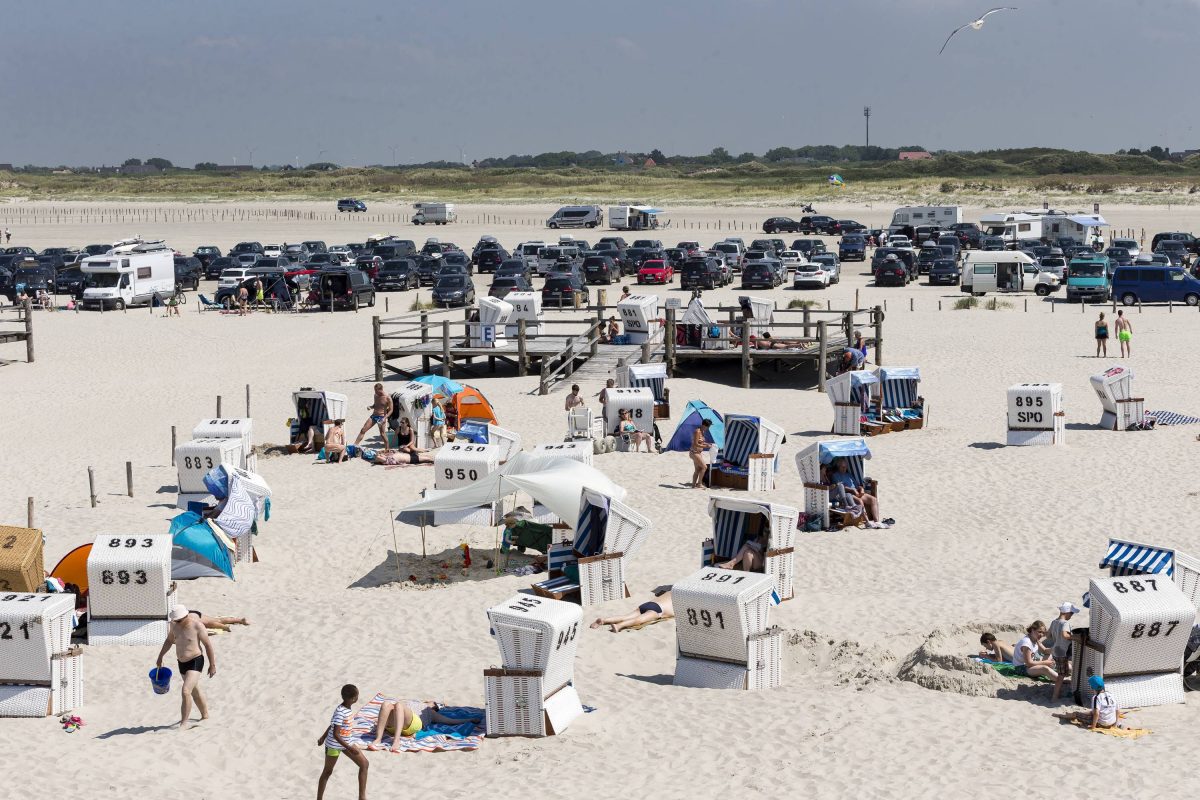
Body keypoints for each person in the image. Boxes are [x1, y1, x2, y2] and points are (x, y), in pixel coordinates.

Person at [154, 605, 216, 730]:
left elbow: (208, 645)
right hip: (182, 663)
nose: (176, 622)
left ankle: (184, 723)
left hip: (196, 661)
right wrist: (160, 657)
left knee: (185, 691)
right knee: (194, 690)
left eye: (178, 620)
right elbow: (169, 640)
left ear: (185, 616)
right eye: (175, 620)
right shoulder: (174, 625)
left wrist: (212, 665)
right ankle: (205, 715)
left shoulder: (197, 626)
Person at [366, 700, 482, 752]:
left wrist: (470, 719)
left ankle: (396, 740)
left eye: (434, 704)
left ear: (434, 707)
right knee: (386, 703)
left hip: (413, 724)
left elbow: (450, 721)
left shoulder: (430, 712)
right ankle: (378, 738)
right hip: (395, 723)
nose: (432, 702)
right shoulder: (414, 702)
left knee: (399, 705)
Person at [317, 684, 368, 800]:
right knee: (327, 771)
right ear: (353, 699)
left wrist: (322, 737)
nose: (358, 697)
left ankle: (362, 797)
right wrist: (350, 748)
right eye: (357, 695)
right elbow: (335, 734)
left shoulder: (347, 708)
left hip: (346, 742)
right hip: (334, 745)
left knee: (364, 764)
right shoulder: (340, 712)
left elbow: (333, 725)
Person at [831, 457, 887, 528]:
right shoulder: (835, 475)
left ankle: (876, 521)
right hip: (848, 494)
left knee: (873, 499)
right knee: (860, 501)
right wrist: (852, 490)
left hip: (856, 492)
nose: (844, 469)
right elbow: (840, 487)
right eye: (843, 467)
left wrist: (861, 489)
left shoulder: (849, 475)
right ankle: (866, 521)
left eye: (845, 467)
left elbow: (858, 485)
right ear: (838, 467)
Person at [590, 588, 675, 632]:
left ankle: (604, 620)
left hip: (647, 604)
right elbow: (671, 613)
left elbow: (659, 594)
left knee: (625, 616)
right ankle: (619, 626)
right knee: (638, 620)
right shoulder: (678, 600)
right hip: (658, 609)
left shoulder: (669, 592)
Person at [1048, 602, 1078, 700]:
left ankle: (1057, 694)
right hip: (1061, 652)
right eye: (1072, 613)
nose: (1071, 616)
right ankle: (1054, 696)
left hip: (1055, 651)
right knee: (1061, 676)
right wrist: (1075, 637)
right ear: (1067, 612)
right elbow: (1065, 635)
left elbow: (1048, 635)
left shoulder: (1054, 622)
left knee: (1062, 673)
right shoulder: (1065, 623)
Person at [354, 383, 393, 451]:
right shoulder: (376, 395)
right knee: (363, 430)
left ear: (380, 390)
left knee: (382, 434)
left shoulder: (387, 398)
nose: (375, 392)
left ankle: (387, 448)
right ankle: (355, 445)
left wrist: (385, 418)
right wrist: (371, 407)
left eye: (376, 390)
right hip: (374, 415)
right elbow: (376, 404)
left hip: (381, 417)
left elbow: (391, 410)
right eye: (374, 390)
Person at [690, 418, 713, 488]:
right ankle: (699, 484)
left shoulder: (702, 431)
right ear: (704, 425)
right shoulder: (697, 431)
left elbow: (701, 442)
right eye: (708, 426)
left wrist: (708, 443)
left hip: (698, 453)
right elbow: (695, 444)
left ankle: (693, 485)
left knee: (697, 469)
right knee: (704, 467)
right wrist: (706, 446)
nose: (708, 428)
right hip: (694, 452)